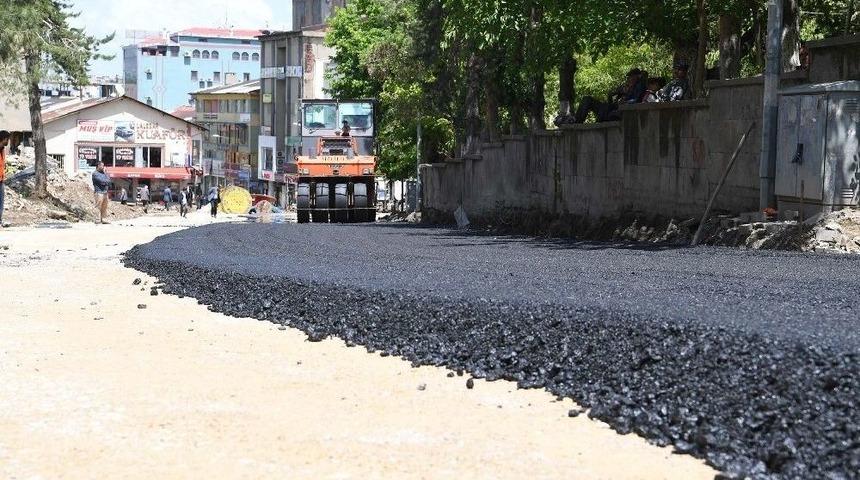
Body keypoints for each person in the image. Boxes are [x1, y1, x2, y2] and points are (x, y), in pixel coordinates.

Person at [574, 68, 645, 123]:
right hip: (609, 109)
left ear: (638, 76)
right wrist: (615, 92)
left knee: (606, 108)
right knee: (587, 99)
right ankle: (577, 121)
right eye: (629, 77)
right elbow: (610, 98)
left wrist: (625, 102)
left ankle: (600, 118)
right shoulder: (625, 86)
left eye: (633, 76)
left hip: (618, 111)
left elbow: (636, 100)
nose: (630, 79)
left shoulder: (639, 86)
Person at [0, 130, 9, 227]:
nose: (8, 141)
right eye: (8, 139)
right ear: (3, 139)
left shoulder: (2, 149)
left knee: (1, 202)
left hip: (1, 180)